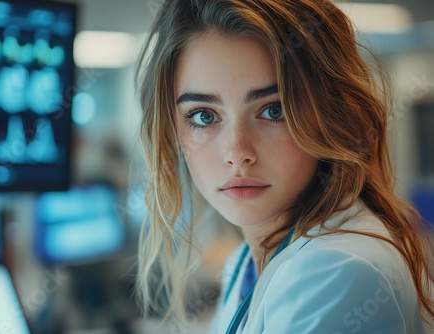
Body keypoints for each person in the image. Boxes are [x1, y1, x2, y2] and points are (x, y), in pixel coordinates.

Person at [134, 0, 434, 333]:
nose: (237, 153)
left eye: (274, 111)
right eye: (204, 116)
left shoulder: (338, 271)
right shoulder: (245, 264)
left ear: (331, 118)